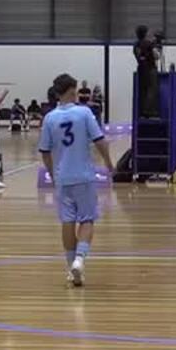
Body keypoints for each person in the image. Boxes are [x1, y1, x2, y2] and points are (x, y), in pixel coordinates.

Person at [39, 73, 115, 287]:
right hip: (83, 175)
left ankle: (70, 267)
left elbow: (45, 152)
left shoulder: (50, 118)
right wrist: (109, 163)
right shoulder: (84, 112)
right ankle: (80, 259)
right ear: (73, 90)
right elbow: (100, 141)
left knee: (67, 221)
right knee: (87, 219)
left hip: (63, 177)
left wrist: (53, 173)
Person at [133, 25, 160, 118]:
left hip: (141, 69)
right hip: (150, 69)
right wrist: (157, 46)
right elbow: (156, 56)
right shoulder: (149, 44)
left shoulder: (136, 45)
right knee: (152, 90)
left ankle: (141, 113)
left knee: (142, 91)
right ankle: (150, 112)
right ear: (145, 33)